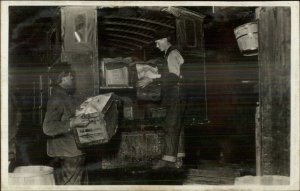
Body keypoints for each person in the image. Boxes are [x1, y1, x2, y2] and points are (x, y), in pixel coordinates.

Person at [137, 30, 185, 169]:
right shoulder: (170, 54)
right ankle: (178, 159)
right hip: (178, 94)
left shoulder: (172, 54)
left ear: (165, 38)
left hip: (176, 94)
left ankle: (168, 160)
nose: (157, 46)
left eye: (157, 42)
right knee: (177, 126)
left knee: (170, 125)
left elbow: (173, 76)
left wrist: (151, 78)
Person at [43, 62, 90, 185]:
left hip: (70, 151)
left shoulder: (64, 95)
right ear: (62, 77)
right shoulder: (57, 98)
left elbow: (67, 113)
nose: (72, 77)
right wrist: (73, 122)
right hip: (68, 152)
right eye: (70, 75)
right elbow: (48, 128)